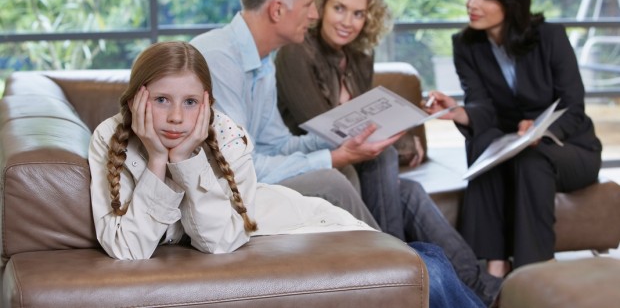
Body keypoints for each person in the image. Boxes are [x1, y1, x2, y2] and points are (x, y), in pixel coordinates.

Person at [88, 41, 487, 308]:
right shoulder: (109, 139)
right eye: (161, 100)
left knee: (425, 271)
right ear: (137, 98)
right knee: (429, 266)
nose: (176, 116)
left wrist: (188, 156)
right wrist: (158, 159)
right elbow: (129, 249)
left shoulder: (225, 133)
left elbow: (219, 239)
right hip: (267, 238)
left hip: (294, 225)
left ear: (206, 104)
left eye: (190, 102)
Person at [273, 0, 502, 307]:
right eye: (339, 8)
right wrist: (396, 139)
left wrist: (402, 131)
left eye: (358, 13)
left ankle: (478, 287)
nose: (347, 21)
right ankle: (395, 275)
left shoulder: (359, 57)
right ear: (320, 6)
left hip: (356, 161)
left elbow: (366, 119)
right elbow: (319, 125)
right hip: (317, 163)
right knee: (387, 158)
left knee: (408, 189)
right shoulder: (296, 51)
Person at [190, 0, 402, 234]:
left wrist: (336, 140)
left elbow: (277, 145)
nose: (315, 15)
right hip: (220, 193)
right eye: (308, 5)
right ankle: (394, 267)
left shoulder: (263, 62)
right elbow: (240, 167)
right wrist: (332, 158)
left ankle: (382, 268)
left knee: (341, 173)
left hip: (248, 180)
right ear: (277, 10)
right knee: (332, 181)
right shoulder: (219, 60)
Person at [426, 0, 602, 278]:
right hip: (514, 146)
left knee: (531, 161)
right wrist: (456, 111)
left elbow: (574, 107)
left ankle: (532, 273)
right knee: (483, 141)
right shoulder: (466, 45)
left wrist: (539, 129)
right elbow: (482, 106)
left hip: (570, 148)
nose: (471, 4)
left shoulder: (550, 37)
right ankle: (494, 267)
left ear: (511, 0)